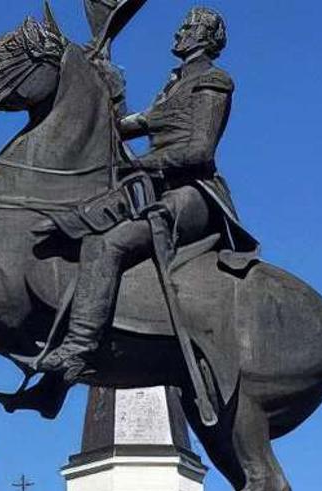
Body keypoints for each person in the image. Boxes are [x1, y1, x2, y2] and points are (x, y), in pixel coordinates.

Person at [37, 6, 256, 383]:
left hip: (194, 193)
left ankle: (78, 349)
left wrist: (142, 164)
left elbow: (199, 153)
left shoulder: (213, 82)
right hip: (155, 187)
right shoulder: (170, 89)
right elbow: (122, 128)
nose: (177, 34)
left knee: (107, 244)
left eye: (186, 28)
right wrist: (103, 82)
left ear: (205, 37)